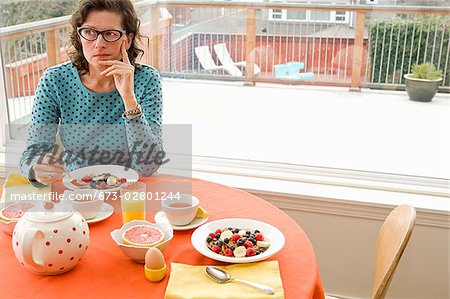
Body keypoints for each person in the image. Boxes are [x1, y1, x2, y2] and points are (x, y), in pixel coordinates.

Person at [19, 0, 164, 186]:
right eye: (89, 33)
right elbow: (31, 154)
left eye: (110, 34)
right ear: (79, 37)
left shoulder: (147, 79)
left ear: (127, 40)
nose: (99, 44)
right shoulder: (55, 80)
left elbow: (147, 166)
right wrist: (36, 170)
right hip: (78, 189)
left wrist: (129, 99)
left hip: (130, 191)